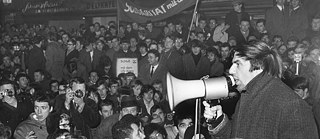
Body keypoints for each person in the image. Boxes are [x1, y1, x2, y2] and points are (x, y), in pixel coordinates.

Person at [203, 41, 319, 138]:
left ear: (258, 66)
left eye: (237, 64)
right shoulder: (247, 95)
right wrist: (218, 121)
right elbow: (237, 135)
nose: (231, 70)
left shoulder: (292, 106)